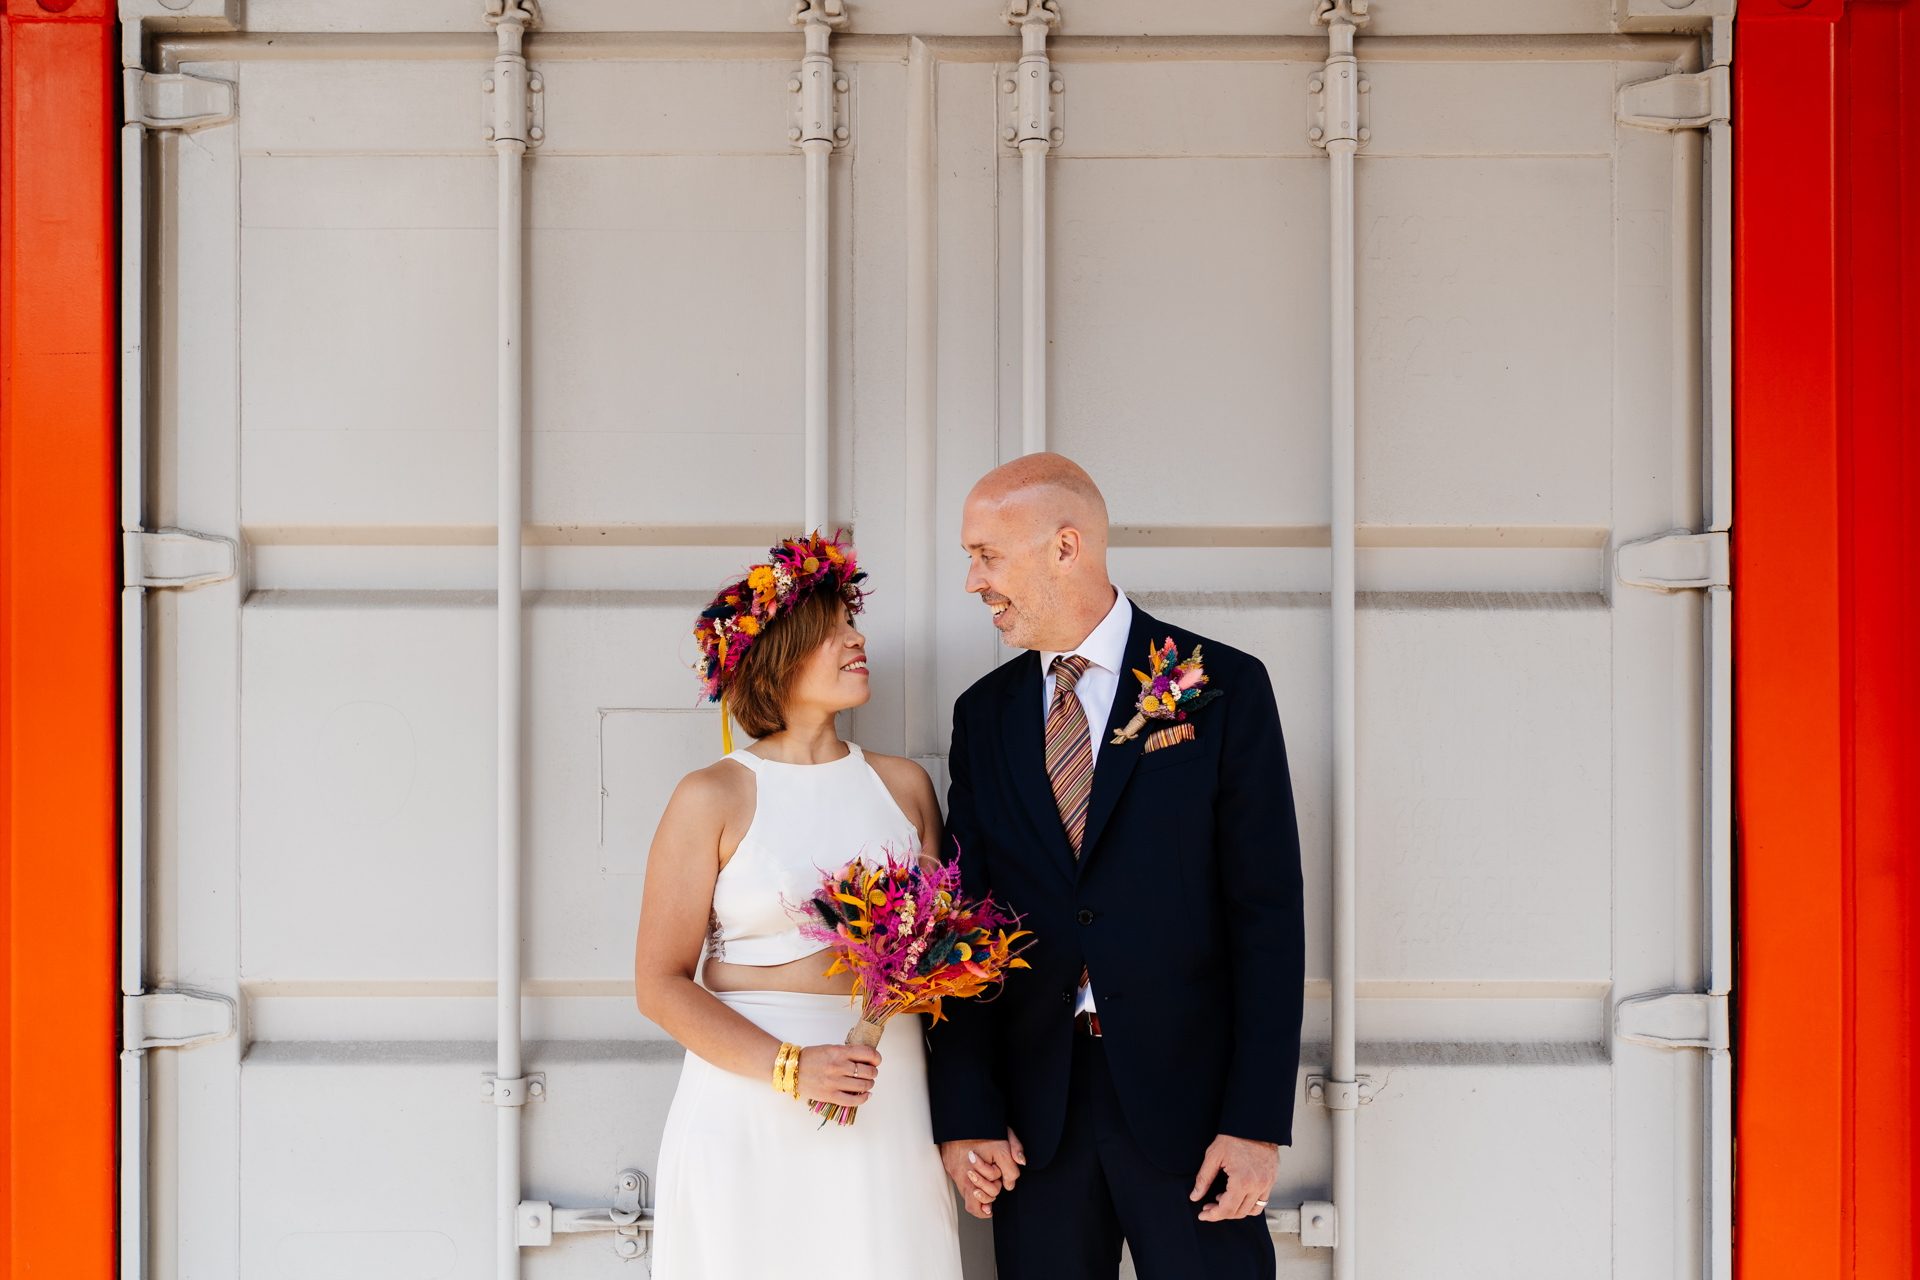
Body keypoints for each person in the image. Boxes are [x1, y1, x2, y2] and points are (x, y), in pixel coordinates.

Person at [928, 454, 1306, 1280]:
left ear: (1066, 547)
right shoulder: (983, 719)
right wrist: (966, 1113)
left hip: (1195, 1115)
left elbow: (1268, 917)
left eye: (987, 555)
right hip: (1038, 1123)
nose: (972, 581)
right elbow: (962, 929)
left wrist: (1255, 1122)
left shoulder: (1222, 688)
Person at [634, 533, 963, 1280]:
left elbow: (937, 952)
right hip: (750, 1103)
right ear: (778, 656)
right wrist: (789, 1068)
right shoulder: (711, 795)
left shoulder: (905, 787)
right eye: (835, 627)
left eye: (854, 621)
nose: (859, 638)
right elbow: (659, 981)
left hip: (885, 1091)